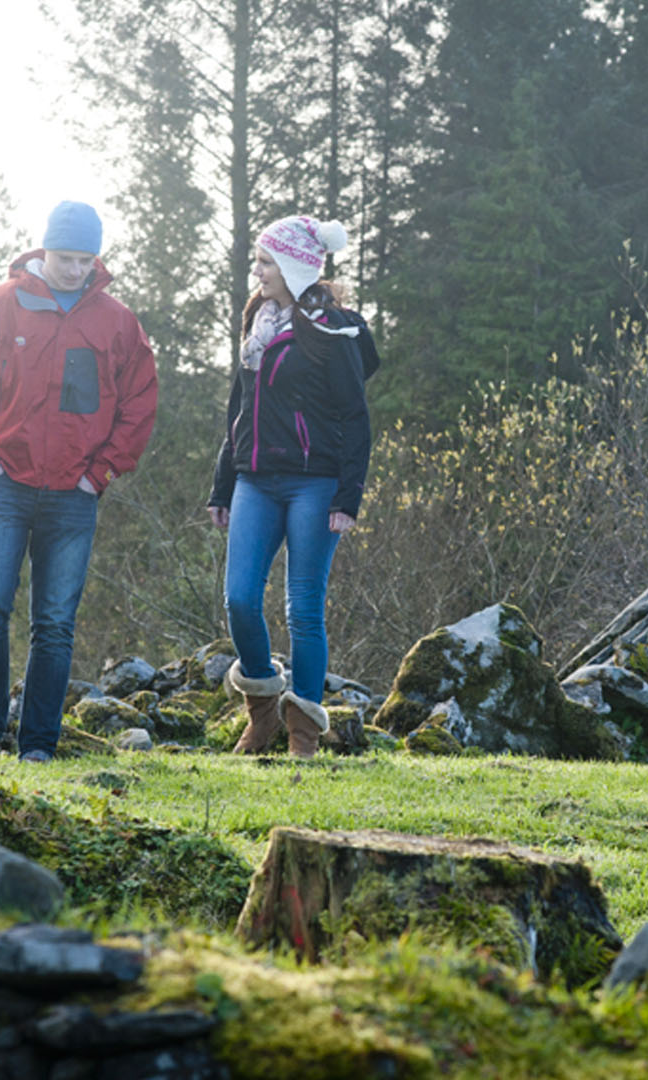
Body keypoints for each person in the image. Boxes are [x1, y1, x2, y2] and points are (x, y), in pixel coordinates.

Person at [0, 200, 159, 763]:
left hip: (73, 496)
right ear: (44, 250)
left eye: (85, 259)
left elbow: (139, 402)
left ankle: (38, 744)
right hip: (2, 487)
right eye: (64, 257)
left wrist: (102, 471)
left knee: (55, 623)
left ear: (96, 259)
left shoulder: (116, 322)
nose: (73, 269)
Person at [208, 215, 379, 759]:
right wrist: (223, 483)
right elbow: (241, 409)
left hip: (315, 483)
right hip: (255, 481)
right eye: (258, 260)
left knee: (303, 609)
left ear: (294, 267)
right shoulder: (257, 320)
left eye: (265, 262)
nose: (255, 270)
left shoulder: (333, 330)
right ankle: (261, 705)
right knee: (238, 599)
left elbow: (355, 416)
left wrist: (348, 496)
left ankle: (303, 730)